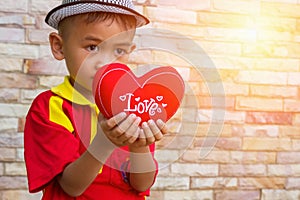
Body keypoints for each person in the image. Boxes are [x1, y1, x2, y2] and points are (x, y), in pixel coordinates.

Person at [24, 0, 168, 199]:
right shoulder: (51, 107)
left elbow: (142, 183)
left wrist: (139, 146)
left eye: (119, 51)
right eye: (92, 47)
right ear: (59, 47)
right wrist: (104, 142)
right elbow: (71, 187)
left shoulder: (133, 106)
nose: (105, 63)